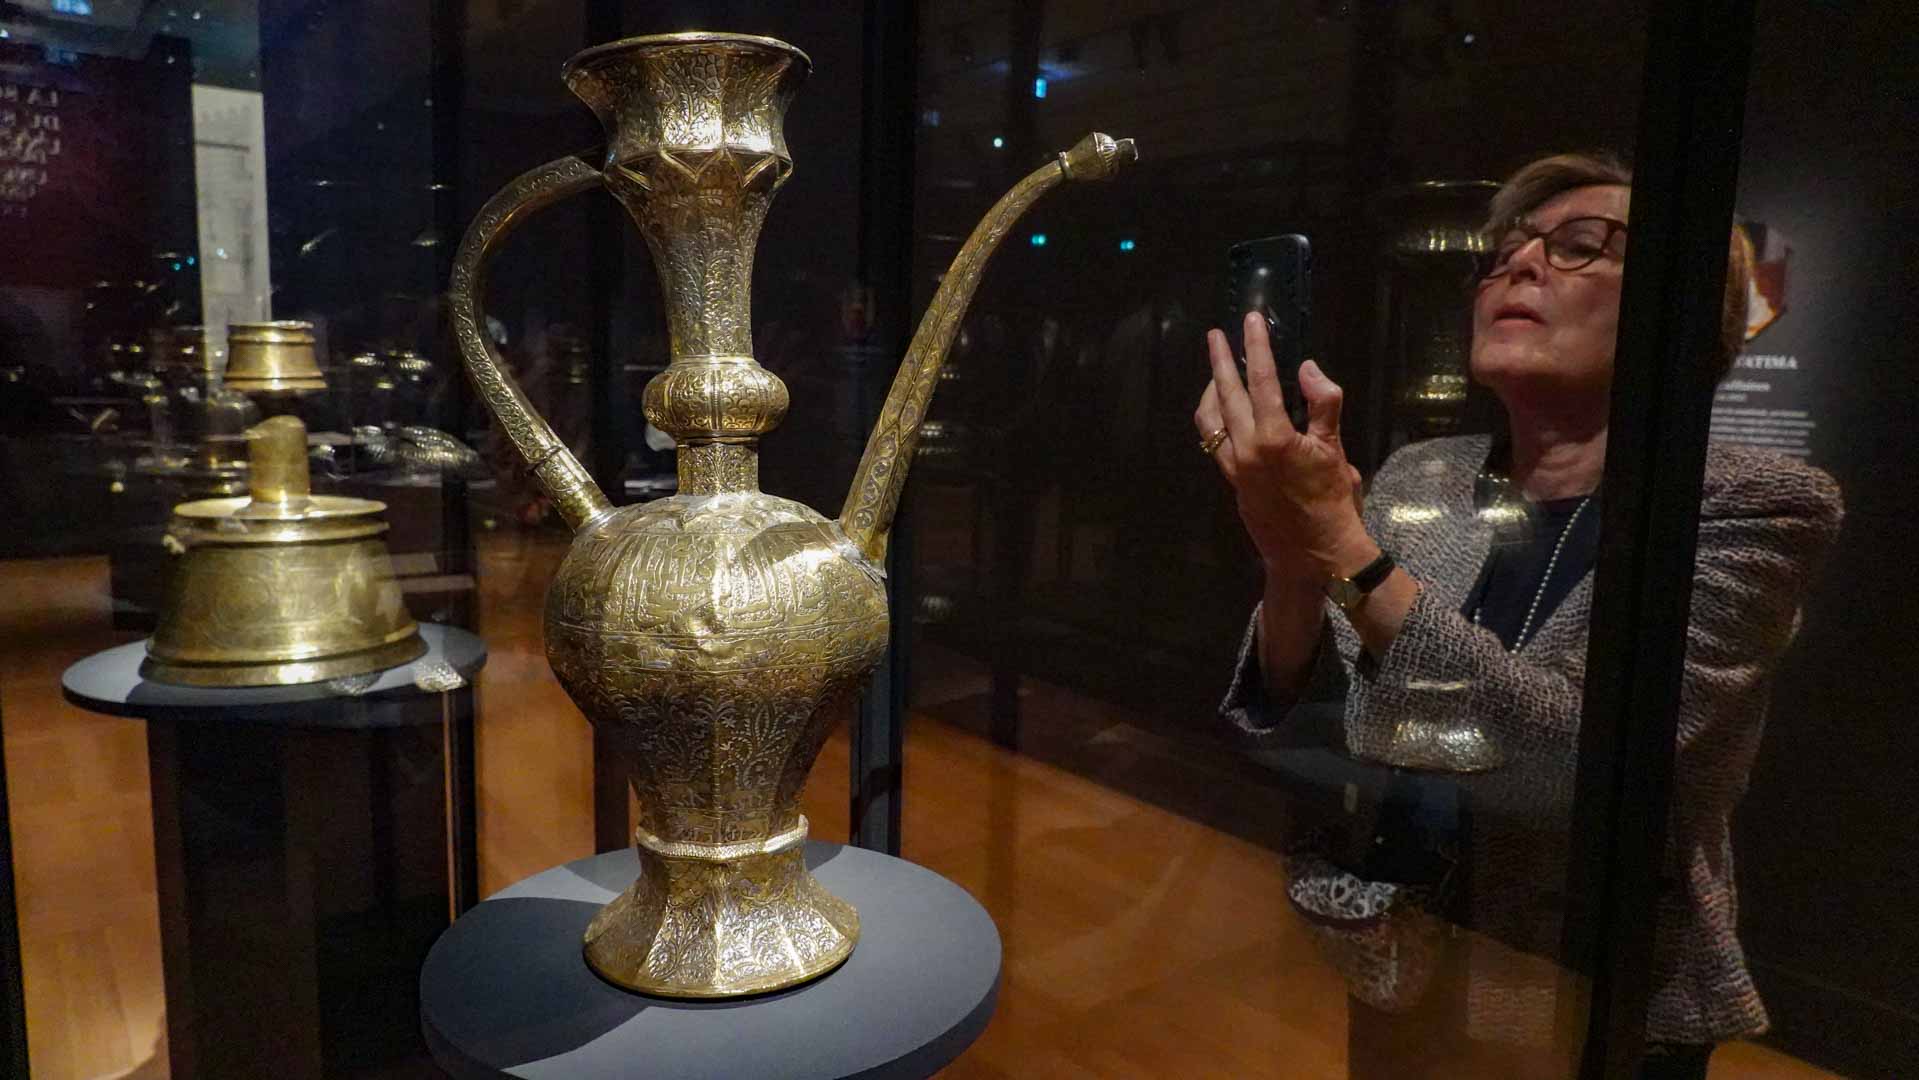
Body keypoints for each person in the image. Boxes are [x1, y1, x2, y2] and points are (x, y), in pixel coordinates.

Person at [1194, 152, 1842, 1079]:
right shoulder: (1426, 474)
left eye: (1580, 245)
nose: (1519, 265)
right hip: (1398, 942)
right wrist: (1290, 561)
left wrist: (1337, 542)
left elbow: (1576, 770)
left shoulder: (1753, 502)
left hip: (1591, 969)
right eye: (1502, 254)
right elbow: (1319, 716)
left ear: (1682, 306)